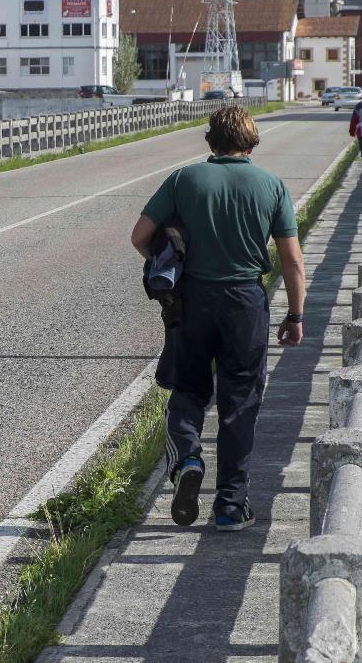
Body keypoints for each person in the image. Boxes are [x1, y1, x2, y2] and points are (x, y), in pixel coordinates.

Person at [130, 105, 306, 532]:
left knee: (188, 390)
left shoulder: (184, 179)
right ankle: (230, 506)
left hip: (191, 300)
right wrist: (295, 315)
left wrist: (173, 262)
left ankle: (188, 458)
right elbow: (292, 262)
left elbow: (139, 237)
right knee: (240, 402)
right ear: (252, 142)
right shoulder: (271, 186)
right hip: (245, 301)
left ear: (210, 141)